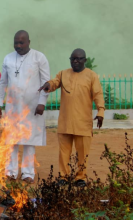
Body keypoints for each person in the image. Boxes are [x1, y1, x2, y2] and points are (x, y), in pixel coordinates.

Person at [38, 48, 105, 187]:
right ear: (70, 60)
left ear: (84, 60)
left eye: (79, 58)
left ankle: (80, 177)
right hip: (65, 122)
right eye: (73, 58)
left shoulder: (92, 76)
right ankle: (64, 176)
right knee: (64, 153)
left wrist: (100, 112)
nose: (76, 61)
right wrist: (49, 84)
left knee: (82, 153)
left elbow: (98, 94)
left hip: (83, 123)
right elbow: (55, 82)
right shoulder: (63, 74)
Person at [0, 30, 50, 184]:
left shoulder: (39, 57)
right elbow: (3, 82)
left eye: (21, 42)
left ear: (28, 42)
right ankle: (11, 172)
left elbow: (46, 82)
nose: (18, 46)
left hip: (32, 106)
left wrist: (42, 102)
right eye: (16, 42)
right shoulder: (8, 58)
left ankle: (28, 173)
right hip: (13, 107)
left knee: (29, 140)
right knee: (11, 139)